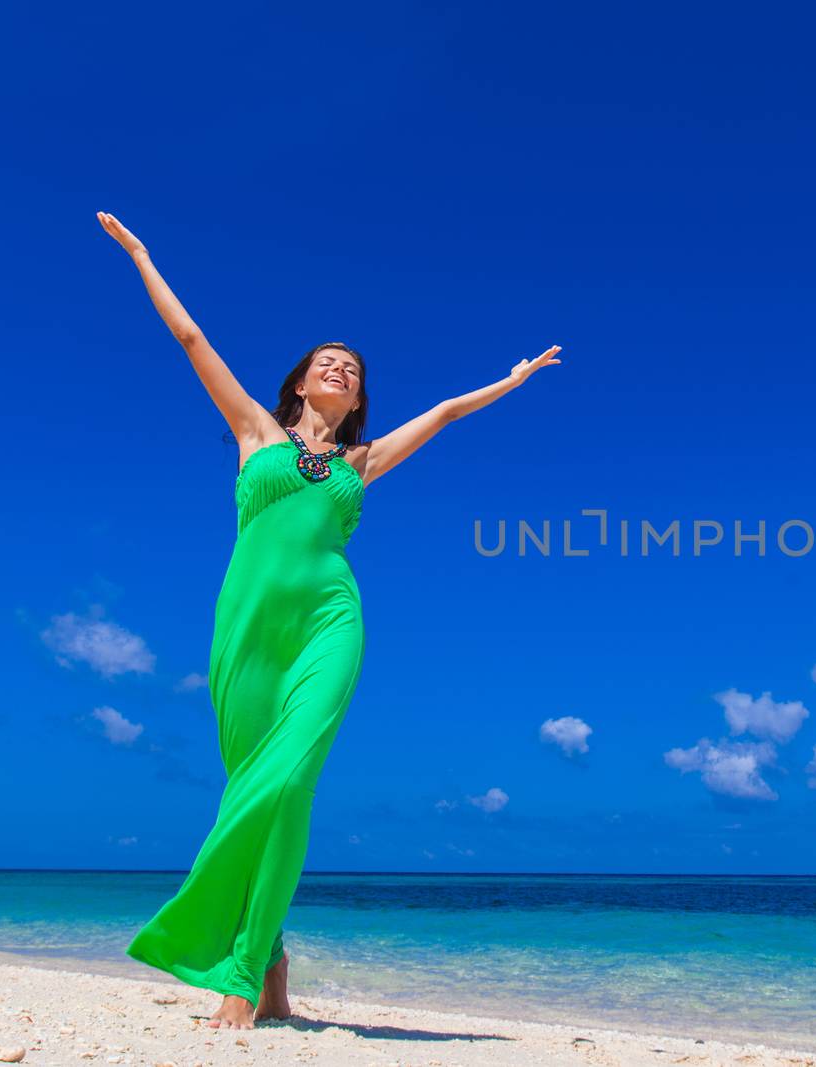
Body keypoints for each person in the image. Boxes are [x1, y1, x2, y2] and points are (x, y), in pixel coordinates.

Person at [96, 210, 562, 1029]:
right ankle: (273, 964)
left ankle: (237, 973)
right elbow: (191, 337)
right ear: (303, 383)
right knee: (256, 787)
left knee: (289, 780)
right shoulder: (255, 433)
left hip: (328, 623)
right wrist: (140, 254)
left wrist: (511, 381)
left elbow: (447, 412)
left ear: (356, 397)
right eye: (326, 362)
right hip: (245, 634)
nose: (339, 368)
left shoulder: (360, 462)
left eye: (350, 367)